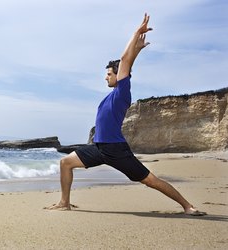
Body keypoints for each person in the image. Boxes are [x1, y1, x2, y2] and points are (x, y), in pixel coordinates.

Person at [46, 14, 205, 216]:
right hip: (99, 147)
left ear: (119, 74)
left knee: (150, 180)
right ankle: (64, 202)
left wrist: (135, 34)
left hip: (116, 149)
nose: (106, 77)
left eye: (109, 74)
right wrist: (136, 50)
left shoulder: (122, 91)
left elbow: (125, 61)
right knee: (65, 163)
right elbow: (127, 61)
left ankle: (187, 206)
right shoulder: (111, 95)